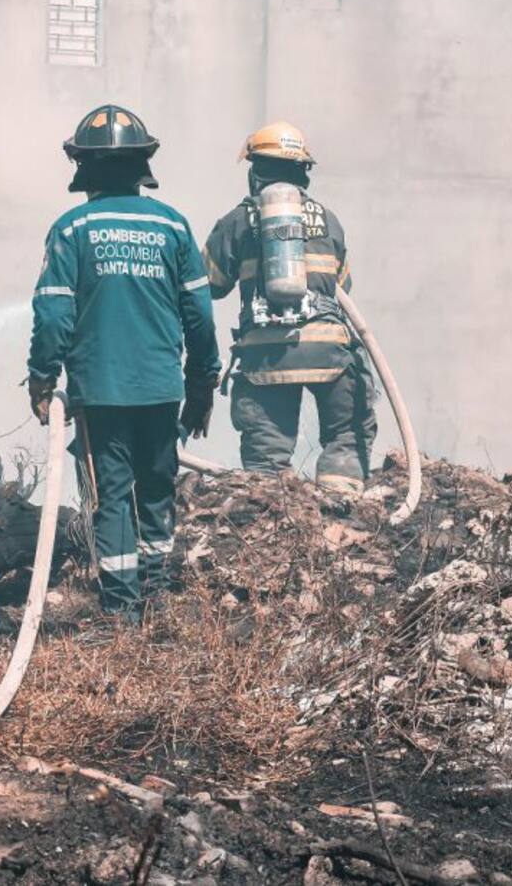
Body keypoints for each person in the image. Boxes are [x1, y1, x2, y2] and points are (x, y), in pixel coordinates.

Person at [27, 105, 219, 622]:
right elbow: (199, 313)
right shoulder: (173, 227)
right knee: (157, 490)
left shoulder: (72, 229)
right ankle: (156, 600)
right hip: (161, 388)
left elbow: (53, 313)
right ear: (142, 166)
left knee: (111, 498)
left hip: (101, 391)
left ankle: (122, 614)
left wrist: (42, 377)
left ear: (83, 168)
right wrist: (202, 383)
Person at [203, 121, 377, 493]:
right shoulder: (330, 220)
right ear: (304, 173)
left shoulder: (237, 221)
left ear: (255, 172)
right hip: (328, 349)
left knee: (265, 460)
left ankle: (278, 522)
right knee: (346, 435)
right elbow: (341, 287)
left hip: (266, 355)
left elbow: (211, 285)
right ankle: (340, 511)